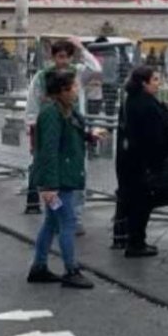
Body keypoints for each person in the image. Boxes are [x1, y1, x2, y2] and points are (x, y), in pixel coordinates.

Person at [26, 70, 108, 289]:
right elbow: (49, 151)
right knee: (68, 222)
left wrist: (91, 136)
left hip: (64, 176)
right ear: (62, 91)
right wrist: (49, 185)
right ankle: (71, 270)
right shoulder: (52, 113)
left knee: (52, 222)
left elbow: (75, 130)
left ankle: (39, 266)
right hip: (58, 180)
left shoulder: (66, 110)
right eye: (73, 87)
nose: (76, 90)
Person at [25, 39, 103, 232]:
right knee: (53, 172)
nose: (64, 61)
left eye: (67, 56)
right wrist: (33, 129)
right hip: (53, 130)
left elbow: (95, 69)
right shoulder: (42, 77)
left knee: (75, 174)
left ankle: (74, 217)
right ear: (53, 57)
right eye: (60, 56)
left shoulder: (77, 73)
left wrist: (81, 48)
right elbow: (32, 103)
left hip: (73, 132)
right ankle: (56, 216)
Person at [117, 66, 168, 257]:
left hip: (135, 161)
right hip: (145, 163)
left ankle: (137, 240)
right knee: (142, 204)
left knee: (140, 202)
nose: (158, 83)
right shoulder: (144, 104)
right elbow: (158, 133)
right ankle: (136, 243)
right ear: (144, 83)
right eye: (154, 80)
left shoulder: (134, 101)